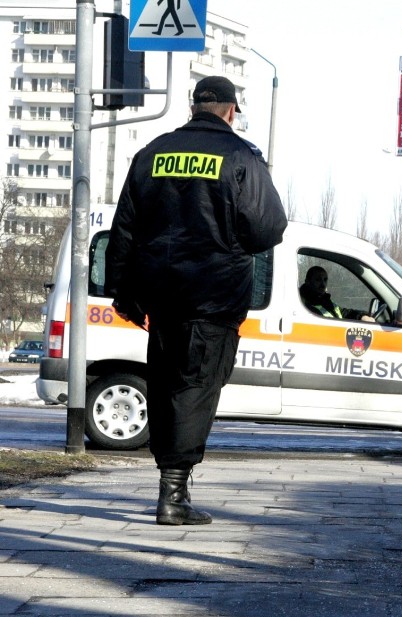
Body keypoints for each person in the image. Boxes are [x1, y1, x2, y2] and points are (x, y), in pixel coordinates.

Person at [105, 76, 288, 526]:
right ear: (230, 110)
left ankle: (174, 485)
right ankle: (172, 495)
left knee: (168, 385)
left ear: (195, 106)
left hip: (160, 296)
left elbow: (124, 227)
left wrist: (123, 293)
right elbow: (268, 229)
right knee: (196, 388)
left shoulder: (153, 153)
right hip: (214, 294)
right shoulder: (241, 157)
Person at [299, 266, 375, 322]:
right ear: (307, 282)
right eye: (318, 280)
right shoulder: (302, 305)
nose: (323, 284)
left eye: (325, 280)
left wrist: (362, 316)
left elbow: (344, 313)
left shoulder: (324, 300)